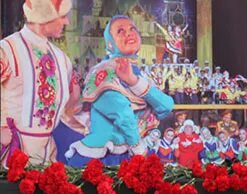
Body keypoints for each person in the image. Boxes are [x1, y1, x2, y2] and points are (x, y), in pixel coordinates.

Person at [65, 15, 174, 163]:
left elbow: (166, 106)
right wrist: (138, 149)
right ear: (110, 44)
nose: (128, 33)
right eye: (120, 31)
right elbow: (122, 112)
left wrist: (133, 81)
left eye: (132, 29)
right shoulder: (103, 72)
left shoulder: (138, 73)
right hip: (102, 158)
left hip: (127, 156)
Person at [0, 0, 83, 166]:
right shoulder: (7, 49)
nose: (67, 21)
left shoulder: (62, 58)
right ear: (46, 16)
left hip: (48, 156)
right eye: (62, 16)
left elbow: (69, 109)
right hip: (11, 154)